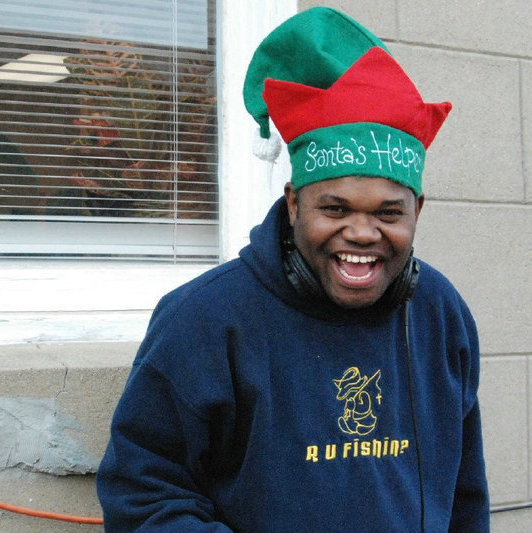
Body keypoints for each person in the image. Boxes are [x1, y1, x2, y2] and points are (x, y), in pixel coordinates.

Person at [97, 7, 489, 532]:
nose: (362, 233)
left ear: (418, 210)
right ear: (293, 204)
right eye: (335, 208)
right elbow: (145, 496)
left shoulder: (440, 313)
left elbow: (464, 495)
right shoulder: (205, 319)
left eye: (387, 213)